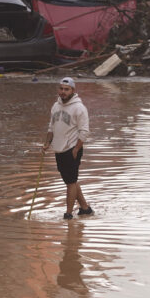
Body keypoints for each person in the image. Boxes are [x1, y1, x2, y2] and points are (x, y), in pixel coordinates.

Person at [43, 77, 93, 220]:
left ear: (73, 90)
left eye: (66, 89)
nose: (63, 92)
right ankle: (85, 208)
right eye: (61, 89)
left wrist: (76, 149)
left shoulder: (79, 108)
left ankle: (68, 213)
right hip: (58, 149)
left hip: (72, 149)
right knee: (70, 180)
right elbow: (51, 127)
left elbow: (84, 131)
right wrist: (47, 143)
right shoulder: (55, 106)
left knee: (70, 182)